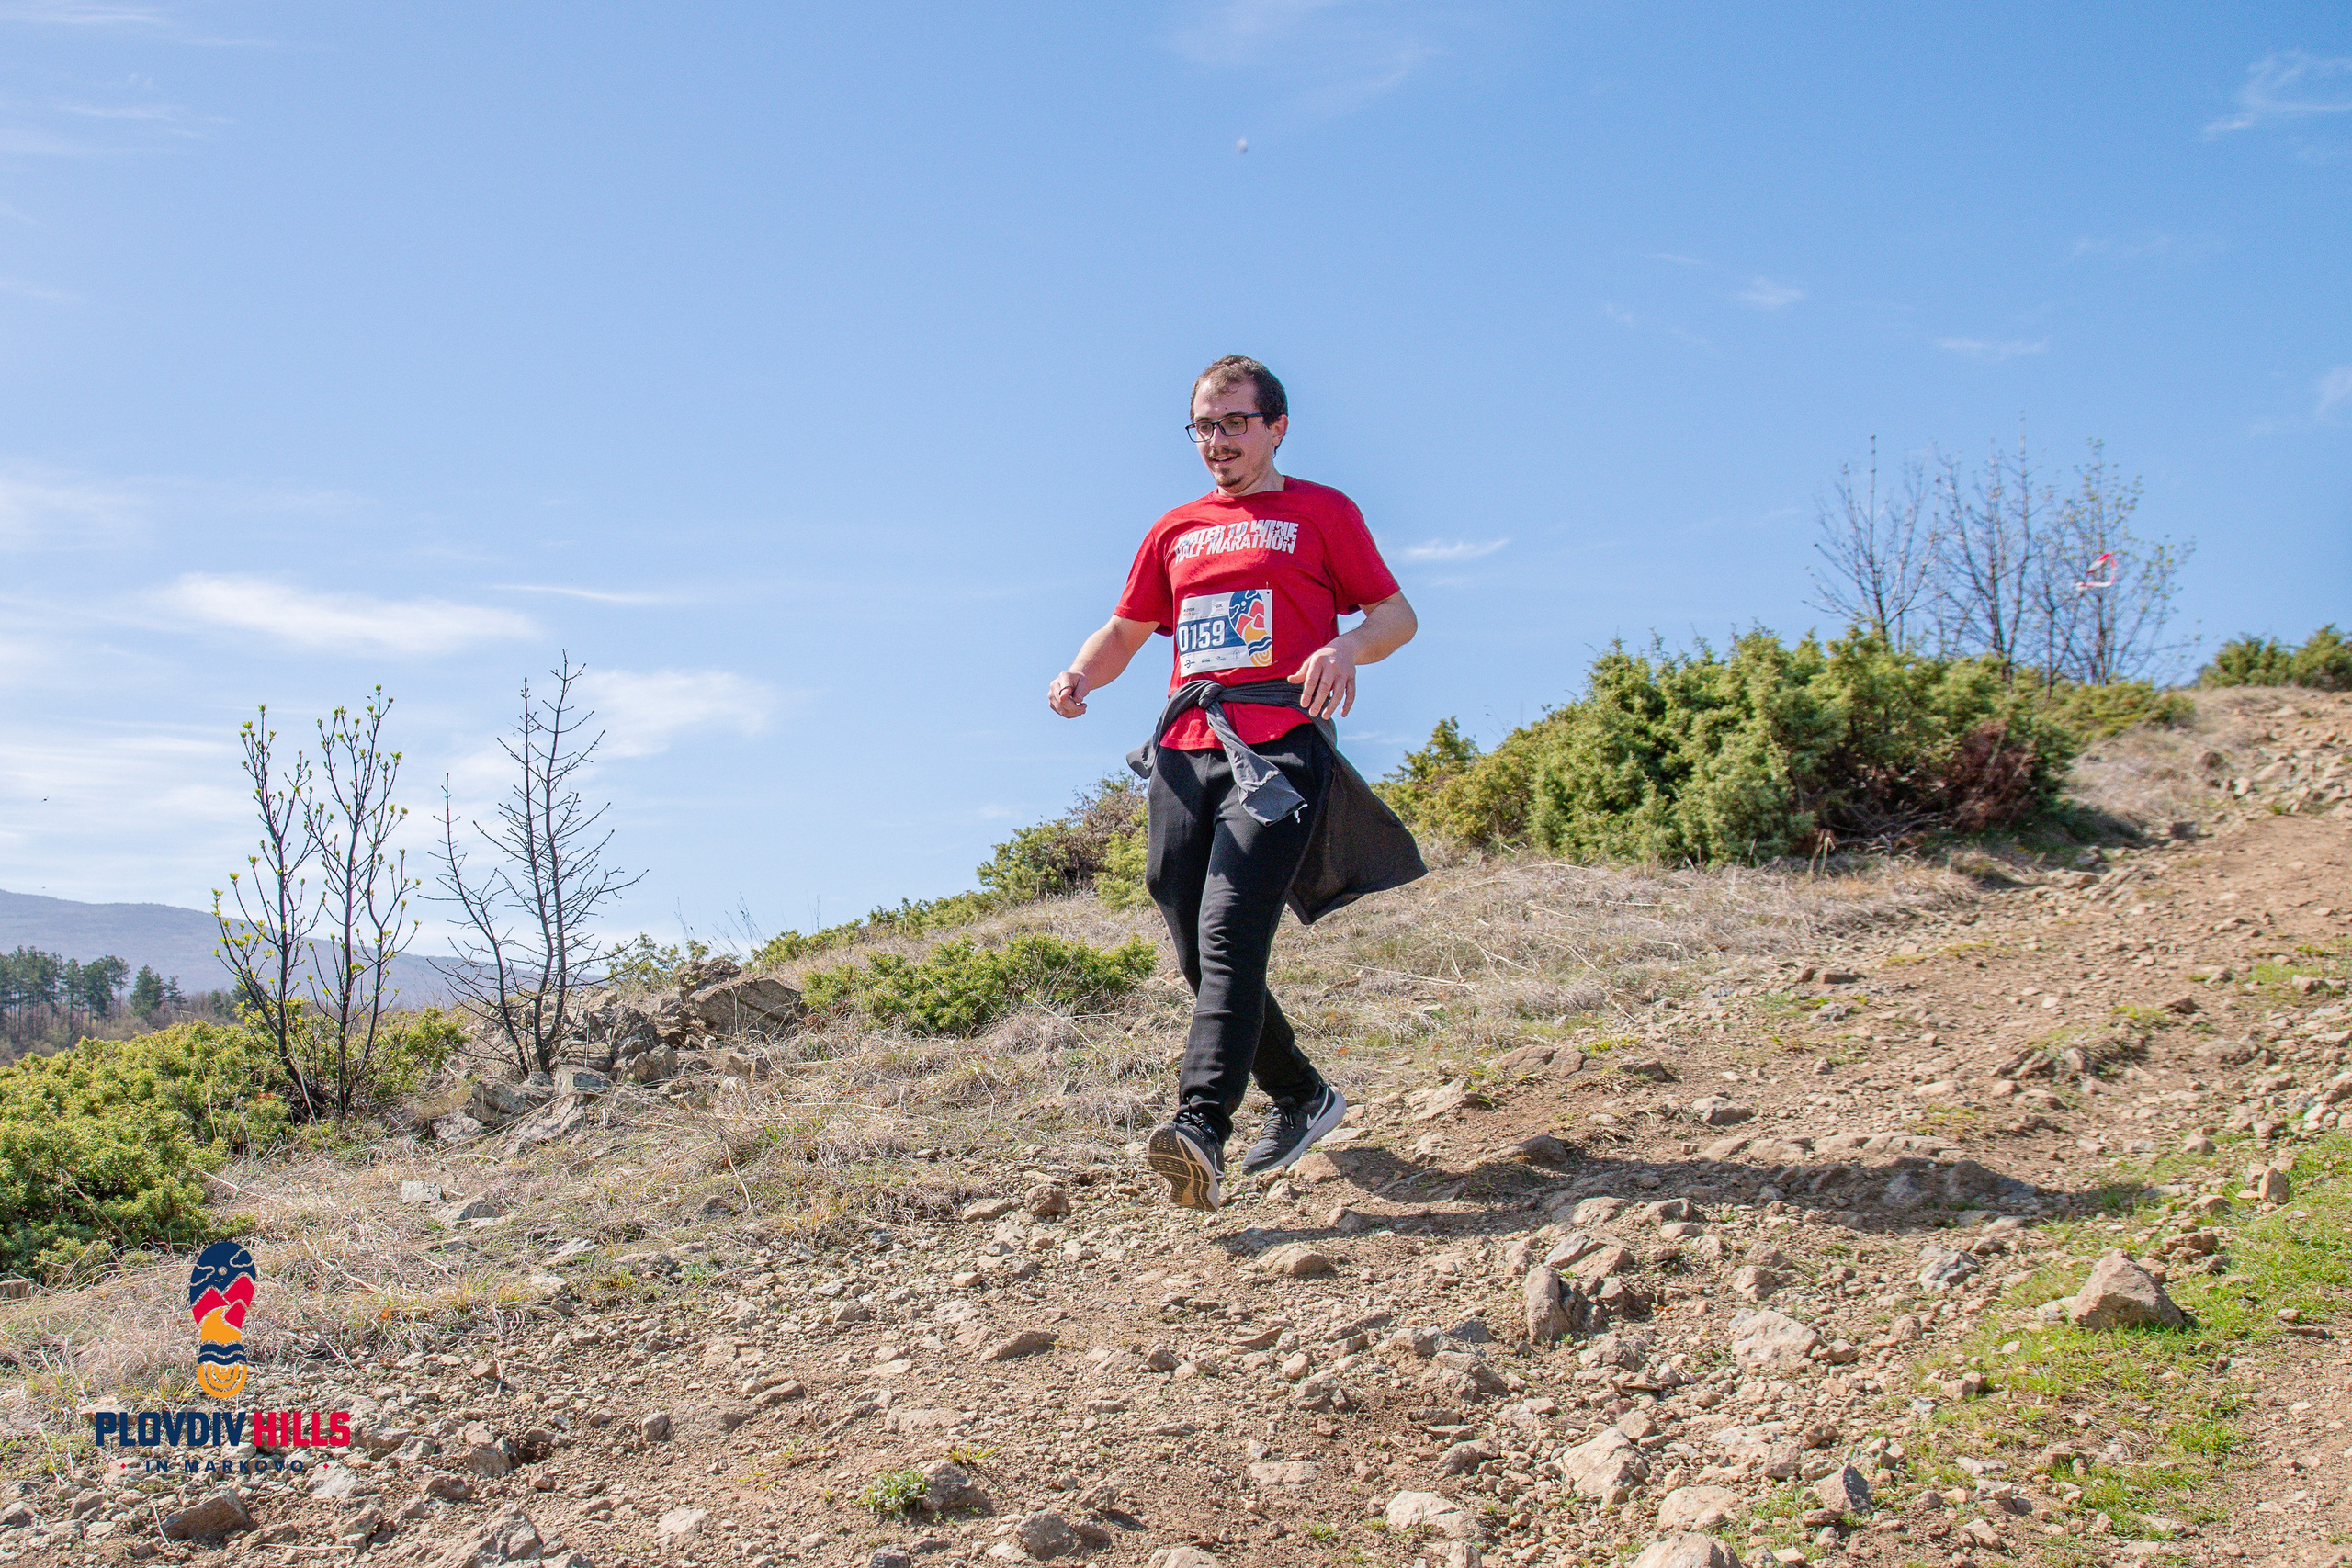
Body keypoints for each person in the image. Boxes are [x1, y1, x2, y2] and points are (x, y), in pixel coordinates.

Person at [1046, 355, 1420, 1210]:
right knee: (1186, 925)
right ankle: (1302, 1095)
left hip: (1279, 748)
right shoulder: (1175, 529)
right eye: (1204, 427)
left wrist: (1345, 647)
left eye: (1235, 424)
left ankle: (1199, 1126)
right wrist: (1078, 675)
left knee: (1230, 929)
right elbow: (1127, 626)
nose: (1218, 442)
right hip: (1186, 743)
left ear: (1277, 426)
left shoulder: (1322, 511)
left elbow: (1395, 613)